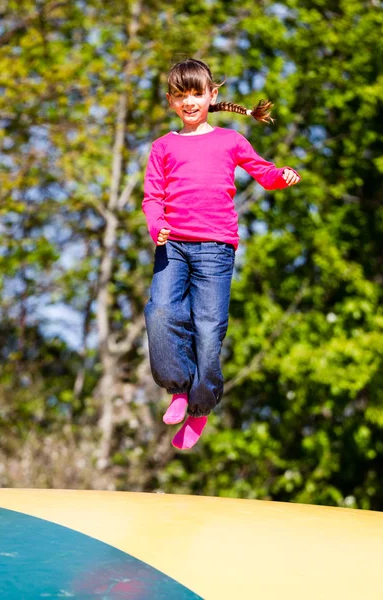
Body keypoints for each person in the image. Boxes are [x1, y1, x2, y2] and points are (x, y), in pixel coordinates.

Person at [142, 58, 300, 450]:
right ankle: (178, 389)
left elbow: (263, 172)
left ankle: (200, 407)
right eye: (181, 96)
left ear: (212, 95)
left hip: (216, 247)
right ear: (171, 101)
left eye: (197, 93)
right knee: (160, 312)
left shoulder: (230, 140)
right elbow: (152, 197)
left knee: (209, 329)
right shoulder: (163, 146)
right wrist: (156, 224)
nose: (190, 102)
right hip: (173, 244)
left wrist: (282, 176)